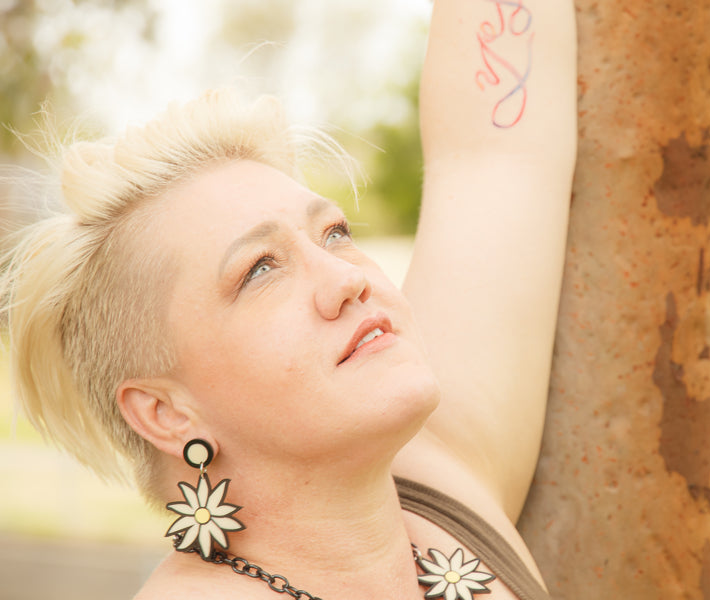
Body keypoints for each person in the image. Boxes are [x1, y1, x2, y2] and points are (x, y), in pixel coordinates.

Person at [0, 1, 576, 598]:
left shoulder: (446, 481)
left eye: (335, 233)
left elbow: (496, 157)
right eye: (260, 270)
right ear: (166, 413)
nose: (345, 279)